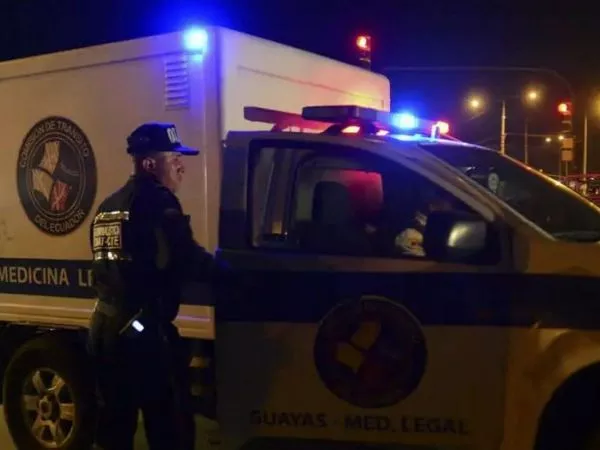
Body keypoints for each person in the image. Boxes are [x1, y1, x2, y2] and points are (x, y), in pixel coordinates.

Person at [88, 122, 215, 450]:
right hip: (144, 334)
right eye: (174, 159)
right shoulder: (157, 201)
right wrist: (239, 277)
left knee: (115, 427)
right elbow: (188, 258)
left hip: (105, 329)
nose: (181, 167)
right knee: (170, 428)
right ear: (148, 164)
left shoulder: (108, 207)